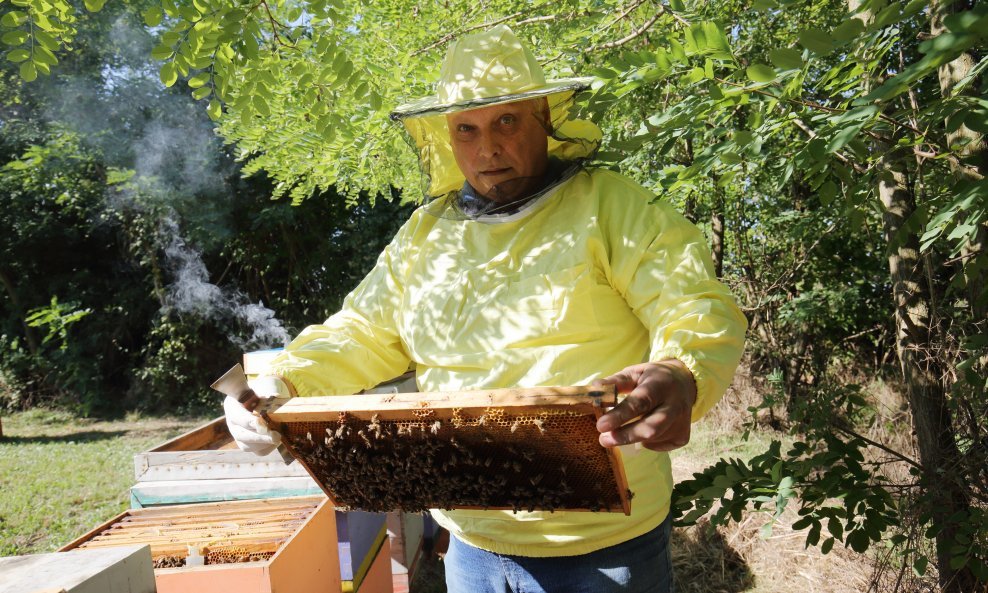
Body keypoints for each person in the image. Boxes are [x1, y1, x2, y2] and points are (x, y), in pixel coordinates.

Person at [224, 24, 747, 593]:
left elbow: (692, 301)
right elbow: (363, 331)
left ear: (544, 116)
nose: (488, 148)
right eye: (466, 129)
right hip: (471, 543)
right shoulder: (425, 236)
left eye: (507, 121)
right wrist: (285, 380)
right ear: (447, 139)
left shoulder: (611, 207)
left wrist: (681, 372)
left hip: (607, 544)